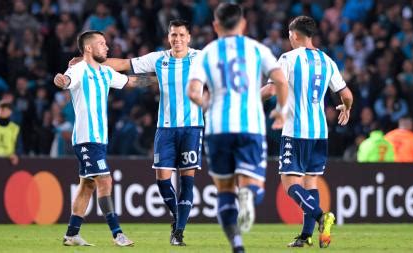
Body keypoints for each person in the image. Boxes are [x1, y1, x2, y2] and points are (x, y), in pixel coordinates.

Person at [69, 19, 202, 246]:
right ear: (168, 37)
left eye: (181, 35)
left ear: (189, 37)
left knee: (187, 181)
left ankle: (177, 231)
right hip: (165, 128)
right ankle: (178, 217)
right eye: (173, 35)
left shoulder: (201, 58)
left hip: (192, 127)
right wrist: (85, 59)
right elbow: (123, 64)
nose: (177, 39)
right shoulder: (159, 58)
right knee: (162, 181)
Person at [187, 3, 288, 253]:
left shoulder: (207, 53)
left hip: (218, 127)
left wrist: (206, 102)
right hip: (250, 126)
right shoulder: (257, 49)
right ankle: (249, 196)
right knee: (254, 186)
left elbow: (192, 91)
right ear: (243, 24)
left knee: (224, 190)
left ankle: (237, 244)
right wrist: (281, 111)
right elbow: (280, 80)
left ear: (215, 26)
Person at [266, 15, 353, 248]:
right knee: (310, 182)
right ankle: (305, 236)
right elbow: (346, 94)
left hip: (295, 131)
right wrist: (347, 108)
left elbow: (273, 88)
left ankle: (321, 217)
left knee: (289, 183)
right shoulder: (327, 61)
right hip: (320, 132)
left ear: (294, 35)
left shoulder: (288, 58)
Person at [53, 30, 133, 247]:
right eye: (102, 43)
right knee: (105, 180)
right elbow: (66, 80)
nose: (107, 47)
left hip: (100, 139)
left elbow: (131, 82)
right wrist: (60, 79)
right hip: (86, 139)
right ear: (88, 48)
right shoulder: (79, 69)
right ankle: (117, 234)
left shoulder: (105, 73)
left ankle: (72, 234)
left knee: (87, 185)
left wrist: (163, 78)